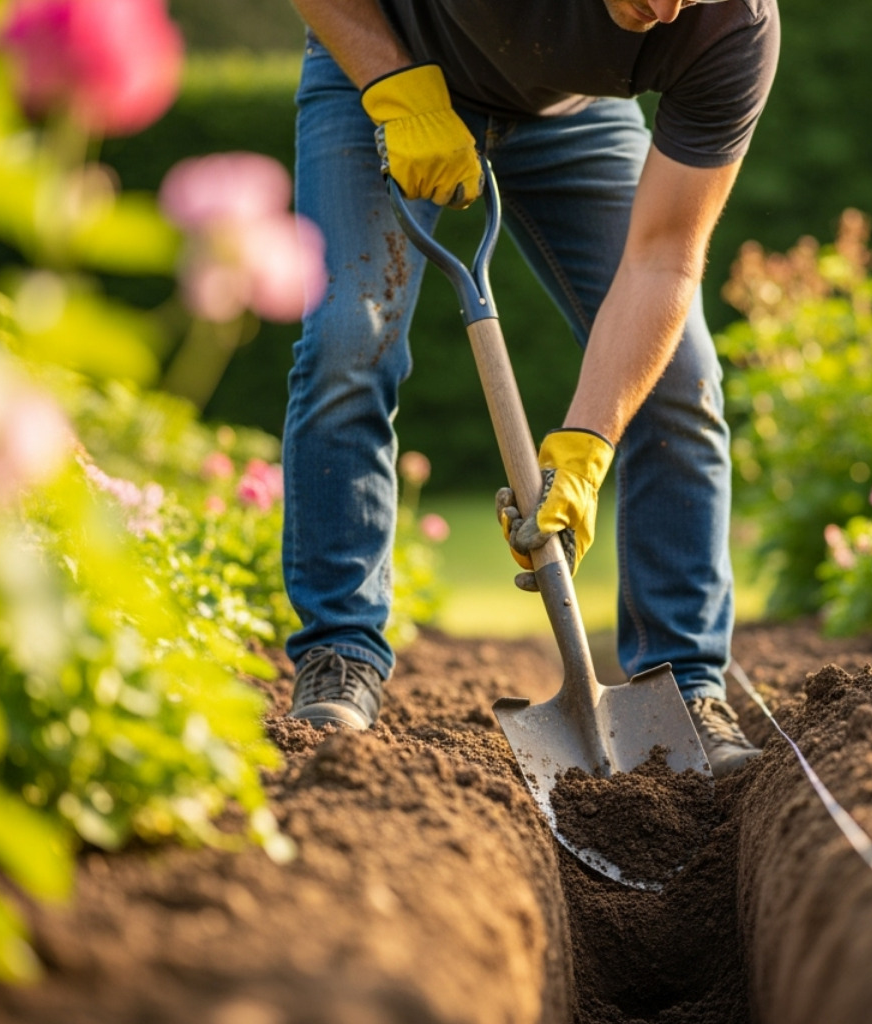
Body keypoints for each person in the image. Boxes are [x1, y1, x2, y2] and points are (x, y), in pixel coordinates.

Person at [282, 0, 778, 777]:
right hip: (387, 69)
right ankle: (340, 654)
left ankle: (684, 686)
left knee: (682, 379)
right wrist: (397, 87)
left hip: (568, 118)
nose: (666, 9)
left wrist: (585, 447)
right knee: (352, 335)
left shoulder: (733, 28)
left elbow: (665, 262)